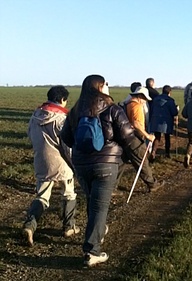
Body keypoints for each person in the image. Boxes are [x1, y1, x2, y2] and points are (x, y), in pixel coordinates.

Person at [60, 74, 137, 266]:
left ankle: (98, 232)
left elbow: (66, 138)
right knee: (100, 207)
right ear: (101, 87)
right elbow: (128, 136)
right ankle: (92, 250)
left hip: (81, 164)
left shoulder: (75, 110)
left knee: (92, 202)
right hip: (106, 164)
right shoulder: (112, 109)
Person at [22, 86, 79, 247]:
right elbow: (68, 145)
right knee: (69, 194)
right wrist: (75, 164)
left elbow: (30, 135)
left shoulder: (35, 116)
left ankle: (30, 226)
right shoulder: (62, 119)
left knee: (42, 196)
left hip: (41, 162)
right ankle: (69, 226)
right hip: (62, 164)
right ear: (62, 100)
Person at [123, 86, 165, 191]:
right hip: (135, 137)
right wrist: (147, 136)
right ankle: (152, 184)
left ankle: (112, 186)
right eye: (144, 99)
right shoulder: (136, 106)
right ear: (140, 96)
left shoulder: (128, 104)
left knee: (121, 162)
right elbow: (137, 124)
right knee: (142, 161)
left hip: (125, 136)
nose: (145, 102)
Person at [150, 85, 179, 159]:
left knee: (157, 137)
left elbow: (152, 109)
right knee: (167, 137)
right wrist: (177, 109)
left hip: (156, 120)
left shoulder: (155, 99)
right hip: (166, 121)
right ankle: (167, 153)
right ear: (169, 92)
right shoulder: (170, 101)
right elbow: (174, 112)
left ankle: (153, 152)